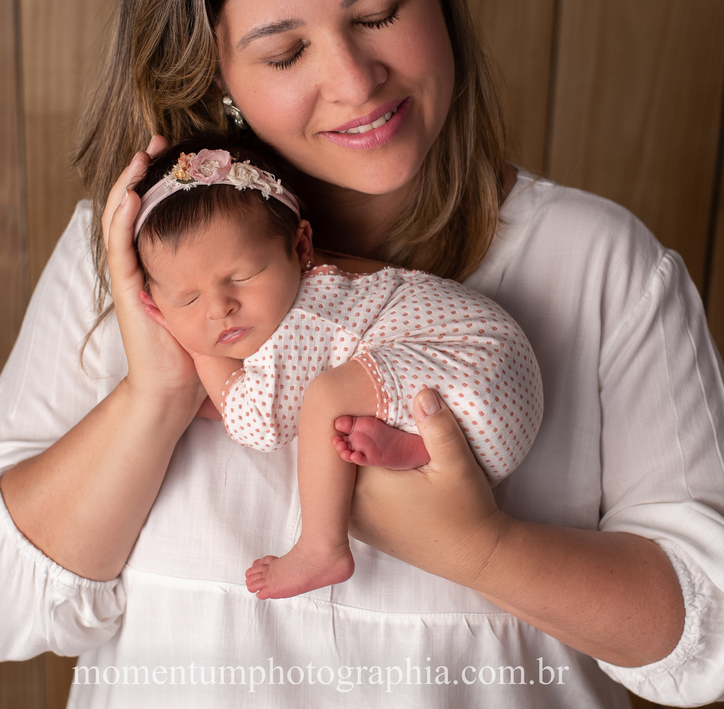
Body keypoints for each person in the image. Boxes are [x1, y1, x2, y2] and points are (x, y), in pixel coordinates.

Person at [0, 0, 724, 707]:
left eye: (378, 14)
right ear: (219, 81)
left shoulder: (595, 263)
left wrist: (481, 549)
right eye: (285, 51)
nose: (353, 81)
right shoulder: (133, 263)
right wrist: (159, 393)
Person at [128, 139, 542, 600]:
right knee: (338, 409)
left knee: (327, 397)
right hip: (488, 400)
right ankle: (412, 447)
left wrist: (198, 348)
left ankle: (321, 549)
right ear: (155, 303)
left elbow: (257, 425)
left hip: (477, 369)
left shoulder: (303, 318)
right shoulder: (318, 299)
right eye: (188, 299)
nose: (220, 308)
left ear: (301, 247)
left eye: (242, 277)